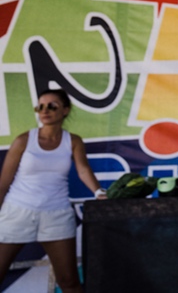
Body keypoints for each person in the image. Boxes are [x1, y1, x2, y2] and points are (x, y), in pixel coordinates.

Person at [0, 89, 106, 293]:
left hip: (57, 214)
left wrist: (99, 192)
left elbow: (83, 170)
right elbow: (3, 183)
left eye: (52, 106)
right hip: (17, 211)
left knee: (69, 282)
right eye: (40, 107)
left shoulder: (73, 141)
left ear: (65, 110)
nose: (45, 111)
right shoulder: (23, 140)